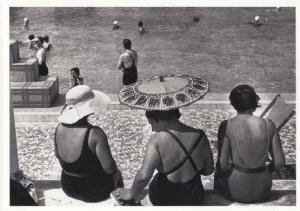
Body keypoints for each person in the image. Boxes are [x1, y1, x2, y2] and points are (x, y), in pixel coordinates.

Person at [115, 109, 214, 205]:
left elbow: (143, 177)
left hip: (165, 198)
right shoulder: (200, 135)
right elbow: (208, 171)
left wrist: (130, 194)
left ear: (159, 119)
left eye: (152, 123)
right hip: (193, 197)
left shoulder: (156, 140)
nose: (153, 129)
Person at [214, 85, 285, 203]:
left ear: (233, 103)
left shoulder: (226, 125)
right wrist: (264, 170)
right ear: (254, 103)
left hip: (235, 189)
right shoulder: (269, 124)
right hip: (263, 189)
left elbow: (223, 165)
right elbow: (279, 162)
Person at [55, 85, 123, 202]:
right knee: (117, 174)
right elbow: (109, 168)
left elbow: (58, 156)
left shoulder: (58, 128)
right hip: (93, 190)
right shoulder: (95, 134)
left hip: (68, 185)